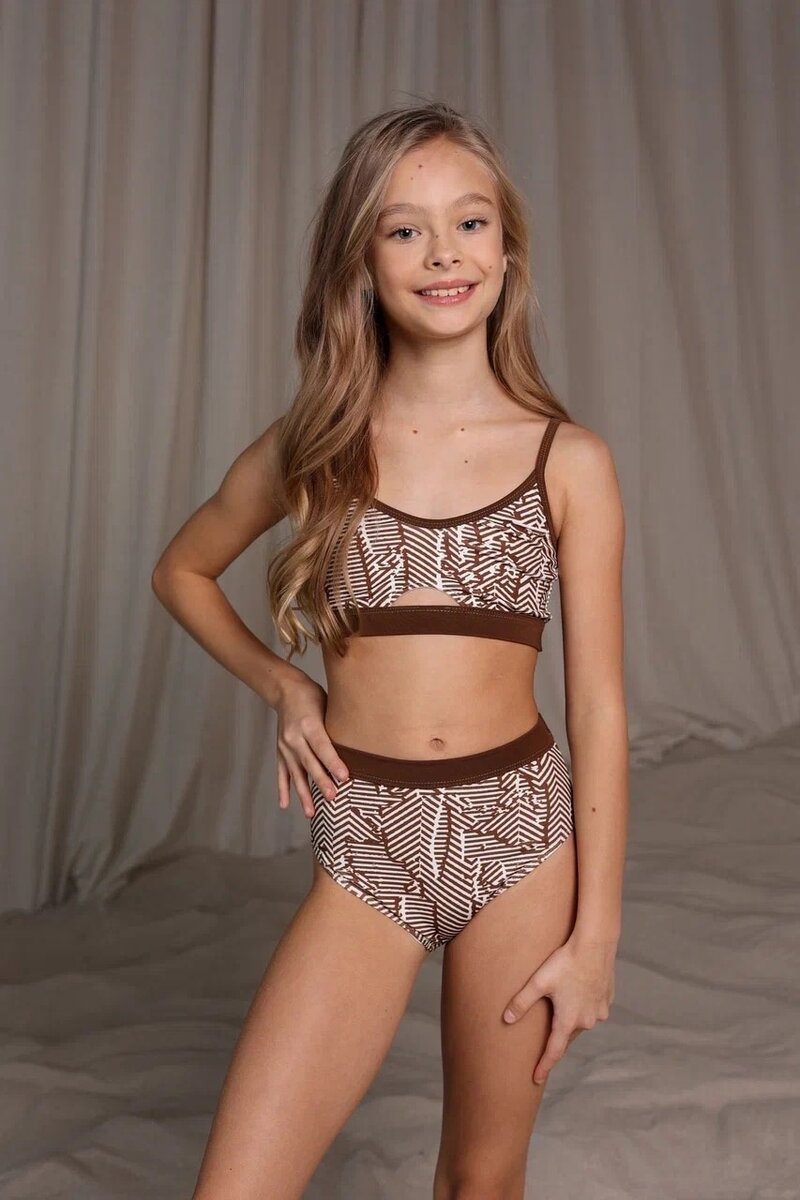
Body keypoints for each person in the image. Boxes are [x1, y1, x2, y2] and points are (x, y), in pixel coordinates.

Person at [152, 100, 629, 1200]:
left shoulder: (568, 461)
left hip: (520, 838)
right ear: (360, 262)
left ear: (506, 249)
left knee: (479, 1181)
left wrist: (596, 936)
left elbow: (600, 707)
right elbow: (181, 570)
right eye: (404, 229)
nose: (443, 252)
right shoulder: (314, 445)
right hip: (368, 837)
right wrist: (284, 685)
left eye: (469, 222)